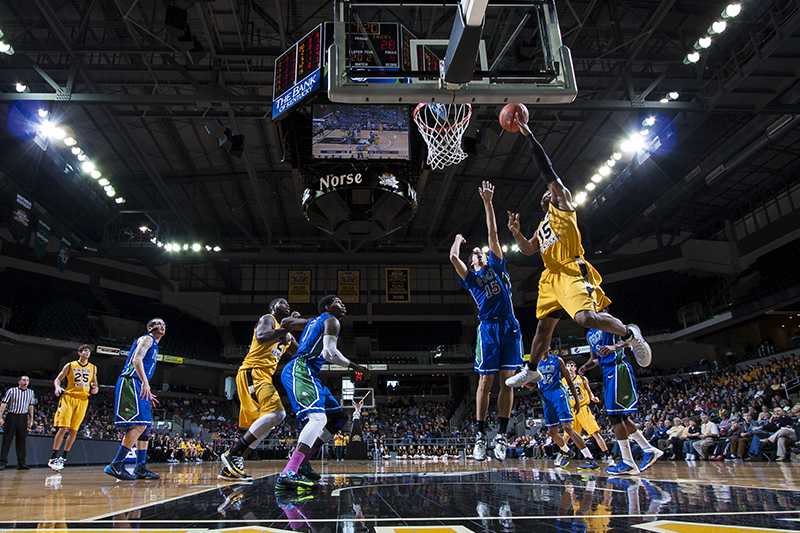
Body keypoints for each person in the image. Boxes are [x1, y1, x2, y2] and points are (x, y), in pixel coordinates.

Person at [503, 118, 652, 391]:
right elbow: (527, 250)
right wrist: (516, 232)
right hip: (550, 277)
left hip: (571, 267)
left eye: (548, 190)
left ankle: (631, 334)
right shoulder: (543, 224)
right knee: (543, 329)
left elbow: (546, 169)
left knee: (585, 319)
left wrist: (529, 136)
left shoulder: (564, 204)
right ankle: (532, 370)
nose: (546, 192)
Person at [449, 180, 522, 461]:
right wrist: (458, 237)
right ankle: (480, 434)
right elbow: (453, 256)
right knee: (485, 383)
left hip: (510, 326)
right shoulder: (472, 279)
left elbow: (492, 231)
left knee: (508, 383)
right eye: (476, 253)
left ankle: (500, 435)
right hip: (489, 329)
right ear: (473, 260)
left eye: (482, 251)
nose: (480, 252)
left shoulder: (497, 265)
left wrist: (488, 202)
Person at [276, 295, 369, 490]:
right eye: (337, 301)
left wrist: (291, 318)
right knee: (318, 419)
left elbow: (285, 322)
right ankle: (289, 472)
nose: (342, 304)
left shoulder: (313, 321)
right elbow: (329, 353)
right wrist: (354, 366)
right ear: (327, 307)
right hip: (301, 369)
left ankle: (303, 462)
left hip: (311, 373)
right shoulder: (332, 321)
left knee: (338, 419)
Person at [218, 298, 303, 481]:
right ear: (273, 307)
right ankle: (233, 454)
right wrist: (288, 327)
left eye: (288, 303)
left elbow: (300, 352)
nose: (287, 304)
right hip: (253, 371)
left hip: (264, 376)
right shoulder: (268, 318)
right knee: (278, 414)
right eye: (282, 302)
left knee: (266, 424)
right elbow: (262, 336)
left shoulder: (287, 335)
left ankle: (231, 467)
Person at [580, 327, 663, 475]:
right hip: (607, 372)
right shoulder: (589, 333)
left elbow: (632, 338)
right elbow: (595, 359)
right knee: (621, 417)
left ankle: (629, 462)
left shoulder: (609, 321)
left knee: (614, 416)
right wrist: (585, 367)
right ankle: (648, 450)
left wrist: (615, 346)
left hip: (619, 369)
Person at [104, 318, 166, 481]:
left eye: (164, 324)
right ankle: (116, 465)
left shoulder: (155, 345)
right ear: (150, 327)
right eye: (158, 323)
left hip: (138, 382)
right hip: (131, 381)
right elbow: (136, 359)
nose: (162, 326)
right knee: (139, 424)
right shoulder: (147, 339)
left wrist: (146, 387)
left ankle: (140, 468)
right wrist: (146, 383)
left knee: (146, 427)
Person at [535, 352, 598, 469]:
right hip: (546, 398)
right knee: (552, 432)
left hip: (558, 395)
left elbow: (569, 381)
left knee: (568, 428)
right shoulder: (535, 363)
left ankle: (590, 458)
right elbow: (532, 384)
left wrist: (578, 402)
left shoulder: (557, 360)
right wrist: (522, 382)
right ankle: (567, 451)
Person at [48, 344, 99, 471]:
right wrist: (57, 387)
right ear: (79, 353)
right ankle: (53, 456)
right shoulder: (70, 365)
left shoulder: (93, 368)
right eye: (85, 351)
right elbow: (58, 380)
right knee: (63, 428)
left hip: (83, 400)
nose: (87, 353)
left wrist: (95, 389)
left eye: (89, 352)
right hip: (69, 398)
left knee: (74, 430)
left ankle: (63, 457)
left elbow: (95, 386)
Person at [563, 360, 612, 464]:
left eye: (572, 365)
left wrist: (593, 397)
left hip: (582, 408)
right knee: (567, 435)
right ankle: (563, 454)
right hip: (571, 410)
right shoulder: (563, 381)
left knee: (595, 433)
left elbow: (589, 391)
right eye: (568, 366)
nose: (570, 368)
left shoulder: (582, 378)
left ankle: (608, 456)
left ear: (575, 368)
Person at [0, 375, 36, 470]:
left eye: (27, 380)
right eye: (24, 380)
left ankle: (21, 463)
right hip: (12, 416)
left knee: (22, 441)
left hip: (23, 417)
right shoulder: (11, 391)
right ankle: (2, 463)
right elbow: (4, 404)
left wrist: (31, 419)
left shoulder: (31, 392)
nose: (26, 382)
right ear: (19, 381)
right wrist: (0, 417)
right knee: (7, 440)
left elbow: (31, 406)